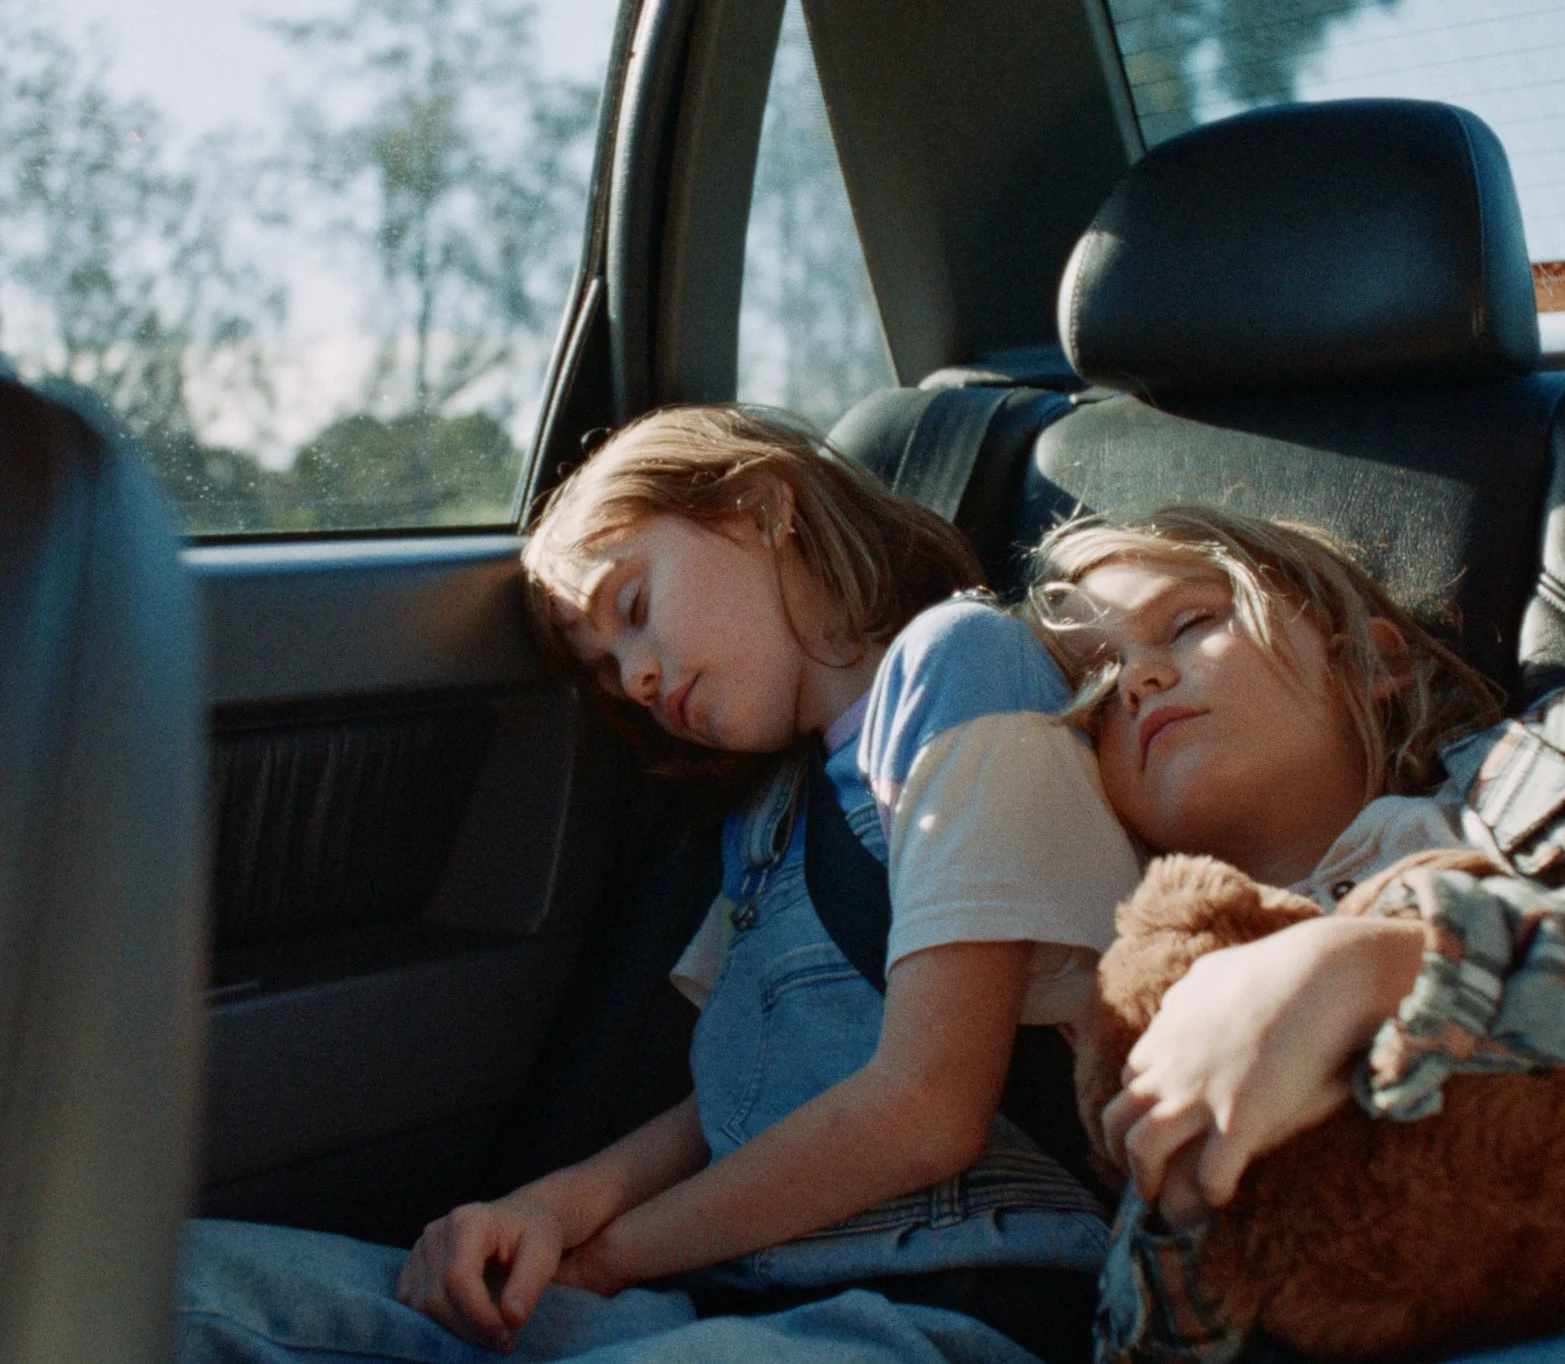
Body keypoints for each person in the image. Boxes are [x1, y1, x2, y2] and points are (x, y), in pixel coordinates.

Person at [175, 405, 1143, 1363]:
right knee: (168, 1286)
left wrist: (610, 1258)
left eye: (633, 609)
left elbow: (925, 1107)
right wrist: (554, 1204)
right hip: (739, 1298)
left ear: (763, 505)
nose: (636, 680)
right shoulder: (766, 814)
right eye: (609, 671)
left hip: (950, 1303)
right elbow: (742, 1088)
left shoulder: (956, 664)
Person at [1020, 505, 1565, 1364]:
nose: (1136, 681)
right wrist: (1185, 1202)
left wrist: (1389, 968)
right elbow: (1146, 1332)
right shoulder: (1159, 971)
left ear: (1374, 662)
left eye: (1188, 623)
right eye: (1094, 689)